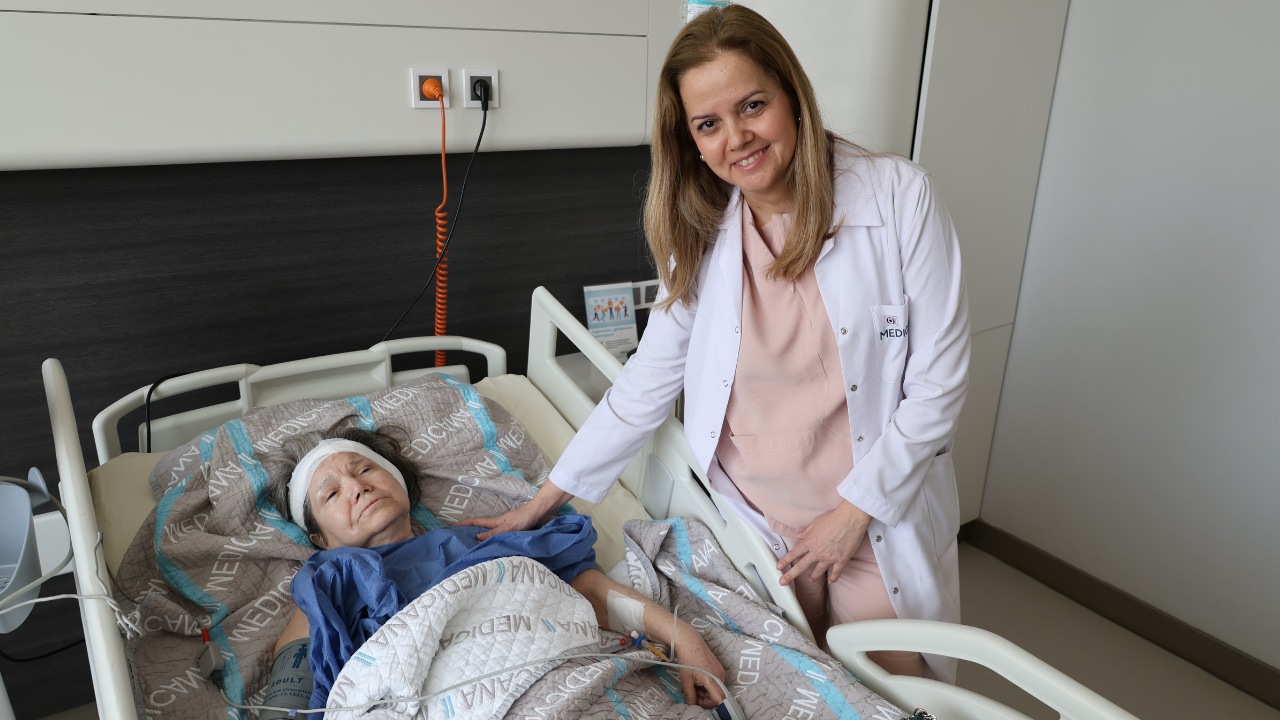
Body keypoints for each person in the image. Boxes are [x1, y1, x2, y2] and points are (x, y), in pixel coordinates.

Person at [460, 5, 969, 683]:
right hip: (756, 523)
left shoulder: (899, 198)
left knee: (899, 691)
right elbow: (646, 383)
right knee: (793, 689)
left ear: (792, 95)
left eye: (753, 105)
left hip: (868, 513)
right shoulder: (702, 234)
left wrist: (854, 513)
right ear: (691, 141)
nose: (737, 138)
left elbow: (938, 384)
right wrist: (543, 502)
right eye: (709, 124)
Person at [259, 426, 726, 715]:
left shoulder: (477, 539)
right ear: (320, 538)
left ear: (397, 480)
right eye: (331, 493)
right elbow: (291, 697)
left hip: (565, 676)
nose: (356, 488)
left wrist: (685, 638)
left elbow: (586, 592)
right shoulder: (328, 583)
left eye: (364, 470)